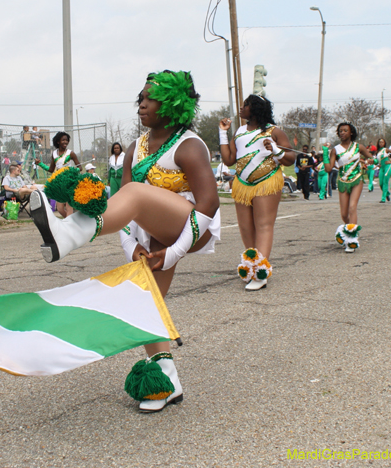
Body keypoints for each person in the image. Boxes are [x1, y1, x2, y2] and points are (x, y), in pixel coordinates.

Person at [29, 69, 220, 413]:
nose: (142, 105)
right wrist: (130, 246)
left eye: (150, 99)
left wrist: (174, 253)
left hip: (190, 228)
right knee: (144, 302)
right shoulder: (136, 147)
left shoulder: (190, 145)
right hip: (150, 232)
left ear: (174, 104)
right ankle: (165, 379)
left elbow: (209, 204)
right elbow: (122, 205)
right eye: (140, 99)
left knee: (134, 192)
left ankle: (69, 232)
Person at [219, 94, 295, 289]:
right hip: (242, 184)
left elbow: (290, 159)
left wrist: (276, 150)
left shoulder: (274, 131)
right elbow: (229, 160)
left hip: (266, 181)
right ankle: (253, 265)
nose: (241, 108)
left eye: (245, 105)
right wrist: (223, 133)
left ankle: (260, 273)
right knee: (246, 227)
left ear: (255, 108)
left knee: (263, 225)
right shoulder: (240, 131)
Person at [323, 122, 372, 252]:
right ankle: (348, 230)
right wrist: (324, 153)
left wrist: (369, 161)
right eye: (340, 131)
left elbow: (371, 158)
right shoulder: (335, 150)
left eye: (345, 130)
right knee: (344, 214)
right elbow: (328, 168)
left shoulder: (358, 147)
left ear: (351, 132)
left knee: (352, 207)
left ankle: (352, 239)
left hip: (356, 180)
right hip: (343, 181)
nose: (342, 133)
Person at [36, 131, 82, 217]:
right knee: (60, 209)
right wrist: (40, 164)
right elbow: (50, 169)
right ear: (58, 141)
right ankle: (71, 222)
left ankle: (69, 225)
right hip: (60, 184)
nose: (65, 142)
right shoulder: (54, 154)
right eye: (63, 140)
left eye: (67, 140)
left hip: (69, 183)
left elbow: (80, 167)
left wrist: (71, 171)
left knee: (69, 208)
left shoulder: (70, 153)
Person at [375, 138, 391, 203]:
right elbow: (378, 160)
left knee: (385, 182)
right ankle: (387, 193)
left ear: (384, 143)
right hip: (381, 167)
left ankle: (383, 199)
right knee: (381, 183)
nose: (381, 143)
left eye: (382, 142)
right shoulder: (377, 151)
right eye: (380, 142)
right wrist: (378, 164)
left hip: (387, 167)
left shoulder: (386, 150)